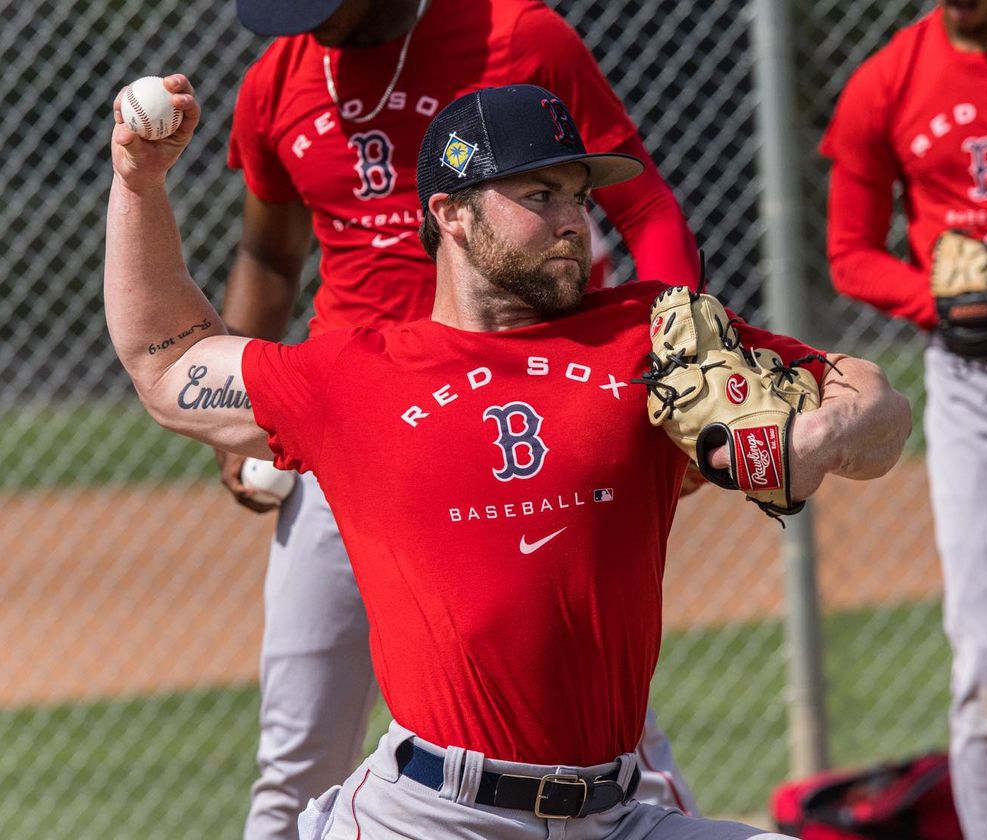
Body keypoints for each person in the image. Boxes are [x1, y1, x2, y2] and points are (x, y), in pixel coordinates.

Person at [107, 76, 910, 840]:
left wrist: (821, 437)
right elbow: (165, 363)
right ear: (451, 214)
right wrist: (139, 185)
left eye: (579, 196)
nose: (574, 221)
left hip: (622, 815)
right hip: (427, 817)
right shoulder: (353, 374)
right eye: (539, 195)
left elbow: (877, 403)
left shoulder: (651, 332)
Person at [223, 0, 702, 834]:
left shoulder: (516, 37)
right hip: (352, 432)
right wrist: (243, 402)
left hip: (524, 419)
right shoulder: (278, 79)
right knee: (293, 764)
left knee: (600, 743)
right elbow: (270, 252)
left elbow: (644, 205)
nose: (307, 25)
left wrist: (669, 353)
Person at [820, 1, 987, 837]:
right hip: (969, 390)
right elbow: (850, 254)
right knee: (984, 657)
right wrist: (945, 304)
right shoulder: (886, 81)